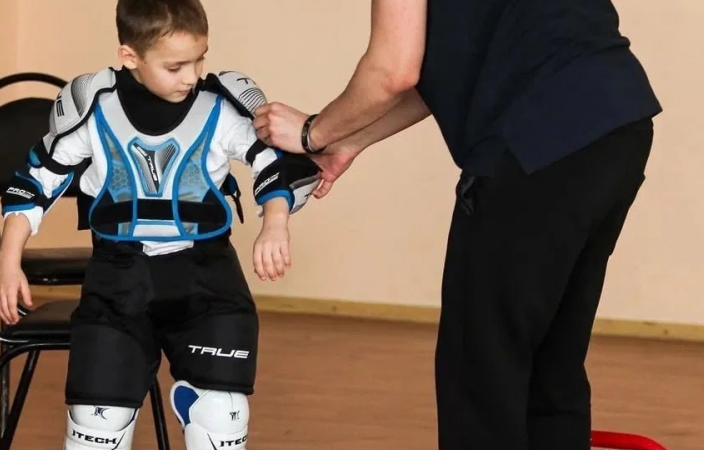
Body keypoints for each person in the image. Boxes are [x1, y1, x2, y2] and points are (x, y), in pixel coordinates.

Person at [253, 0, 662, 449]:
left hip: (536, 142)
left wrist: (313, 132)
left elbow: (394, 70)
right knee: (552, 361)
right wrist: (350, 141)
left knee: (481, 369)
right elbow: (443, 68)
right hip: (618, 122)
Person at [0, 1, 319, 449]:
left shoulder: (218, 110)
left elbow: (272, 162)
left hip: (206, 278)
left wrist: (275, 223)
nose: (191, 76)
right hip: (118, 278)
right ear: (130, 56)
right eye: (175, 66)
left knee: (221, 416)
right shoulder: (94, 111)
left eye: (200, 60)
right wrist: (9, 262)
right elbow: (34, 183)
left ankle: (200, 406)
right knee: (96, 426)